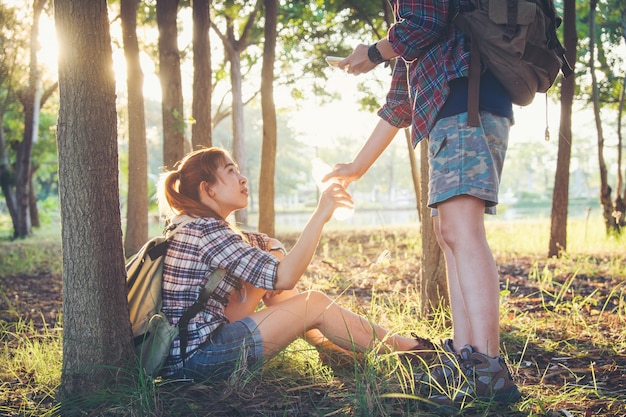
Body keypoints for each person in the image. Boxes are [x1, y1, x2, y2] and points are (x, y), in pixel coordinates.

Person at [324, 0, 522, 408]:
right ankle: (467, 359)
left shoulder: (413, 31)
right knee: (447, 233)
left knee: (462, 231)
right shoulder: (415, 44)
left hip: (466, 100)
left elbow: (424, 22)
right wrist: (357, 166)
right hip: (453, 107)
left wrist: (373, 51)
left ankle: (489, 372)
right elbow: (401, 100)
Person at [157, 147, 433, 381]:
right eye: (230, 172)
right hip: (200, 360)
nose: (242, 178)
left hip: (188, 356)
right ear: (208, 189)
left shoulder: (194, 225)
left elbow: (260, 244)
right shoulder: (205, 230)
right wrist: (321, 214)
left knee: (269, 262)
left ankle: (330, 349)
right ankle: (415, 352)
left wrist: (273, 247)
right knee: (312, 302)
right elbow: (284, 277)